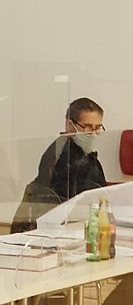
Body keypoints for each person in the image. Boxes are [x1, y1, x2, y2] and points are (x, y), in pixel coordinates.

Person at [11, 97, 107, 233]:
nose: (93, 133)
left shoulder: (86, 155)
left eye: (97, 128)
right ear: (69, 125)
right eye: (87, 127)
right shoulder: (61, 156)